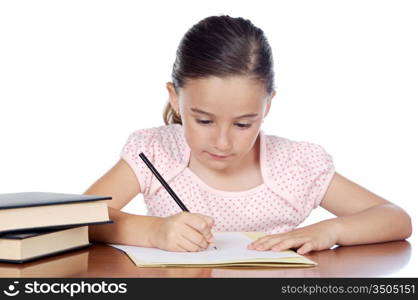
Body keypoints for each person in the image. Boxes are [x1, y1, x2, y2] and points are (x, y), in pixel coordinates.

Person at [85, 15, 412, 254]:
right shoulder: (154, 152)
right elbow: (79, 217)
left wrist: (330, 230)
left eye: (243, 124)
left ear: (267, 105)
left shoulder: (296, 166)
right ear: (175, 98)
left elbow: (396, 219)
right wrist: (153, 232)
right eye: (203, 121)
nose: (222, 142)